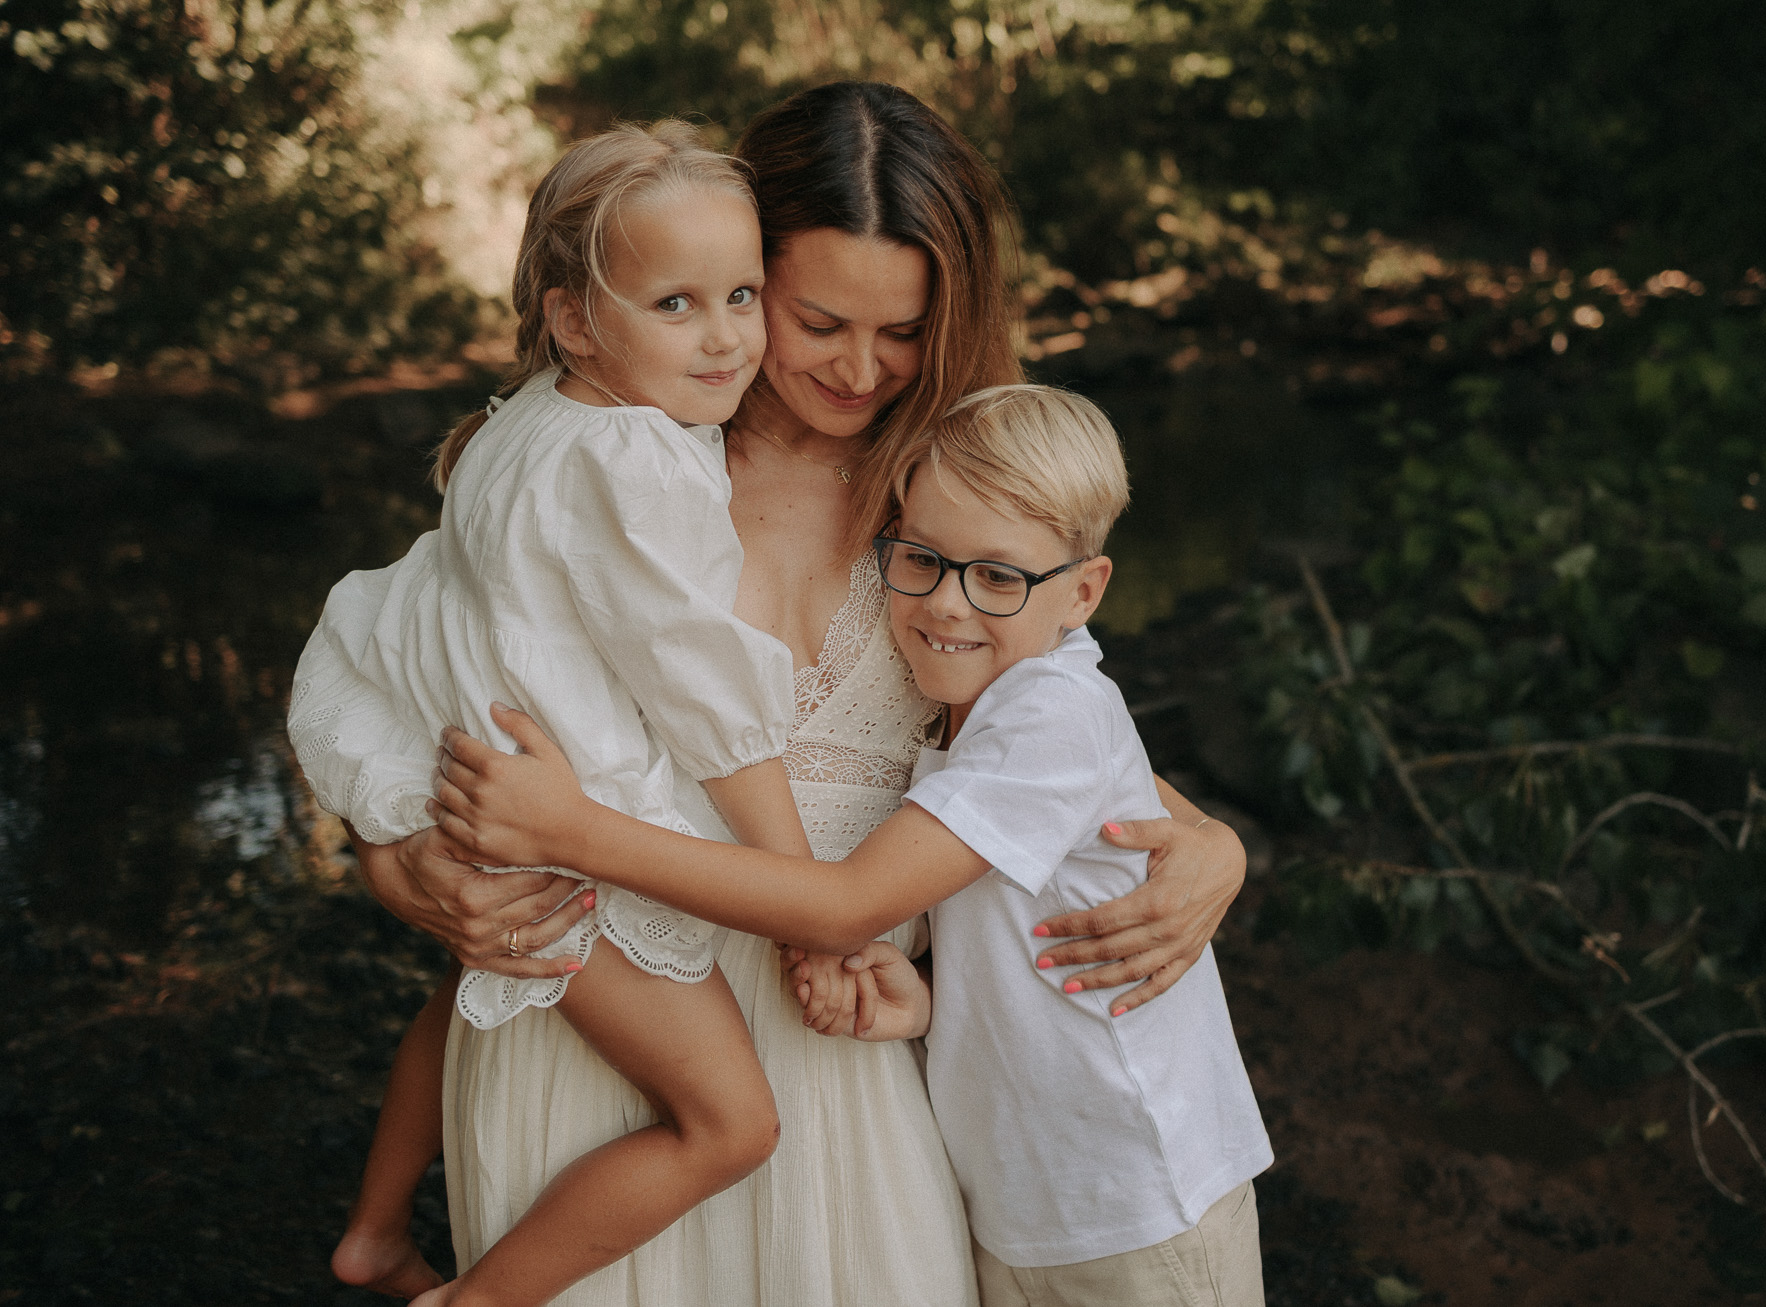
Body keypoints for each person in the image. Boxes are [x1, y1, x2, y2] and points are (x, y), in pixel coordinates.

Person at [294, 81, 1249, 1307]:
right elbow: (394, 663)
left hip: (841, 1038)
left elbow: (1036, 727)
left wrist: (1209, 838)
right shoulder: (614, 460)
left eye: (903, 330)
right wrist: (398, 862)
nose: (859, 368)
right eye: (817, 318)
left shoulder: (952, 490)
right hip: (605, 1034)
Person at [425, 384, 1273, 1307]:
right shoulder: (988, 703)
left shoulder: (1052, 716)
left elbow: (845, 905)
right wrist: (933, 1002)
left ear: (1085, 590)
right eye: (922, 559)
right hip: (1032, 1197)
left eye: (998, 578)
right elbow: (1027, 929)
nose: (947, 604)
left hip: (1138, 1197)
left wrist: (573, 833)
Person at [290, 122, 806, 1305]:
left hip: (479, 775)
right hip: (570, 845)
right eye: (675, 304)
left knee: (463, 988)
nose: (725, 335)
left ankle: (373, 1232)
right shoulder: (636, 460)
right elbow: (704, 692)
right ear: (575, 320)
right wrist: (802, 899)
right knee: (730, 1122)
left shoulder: (526, 419)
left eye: (742, 294)